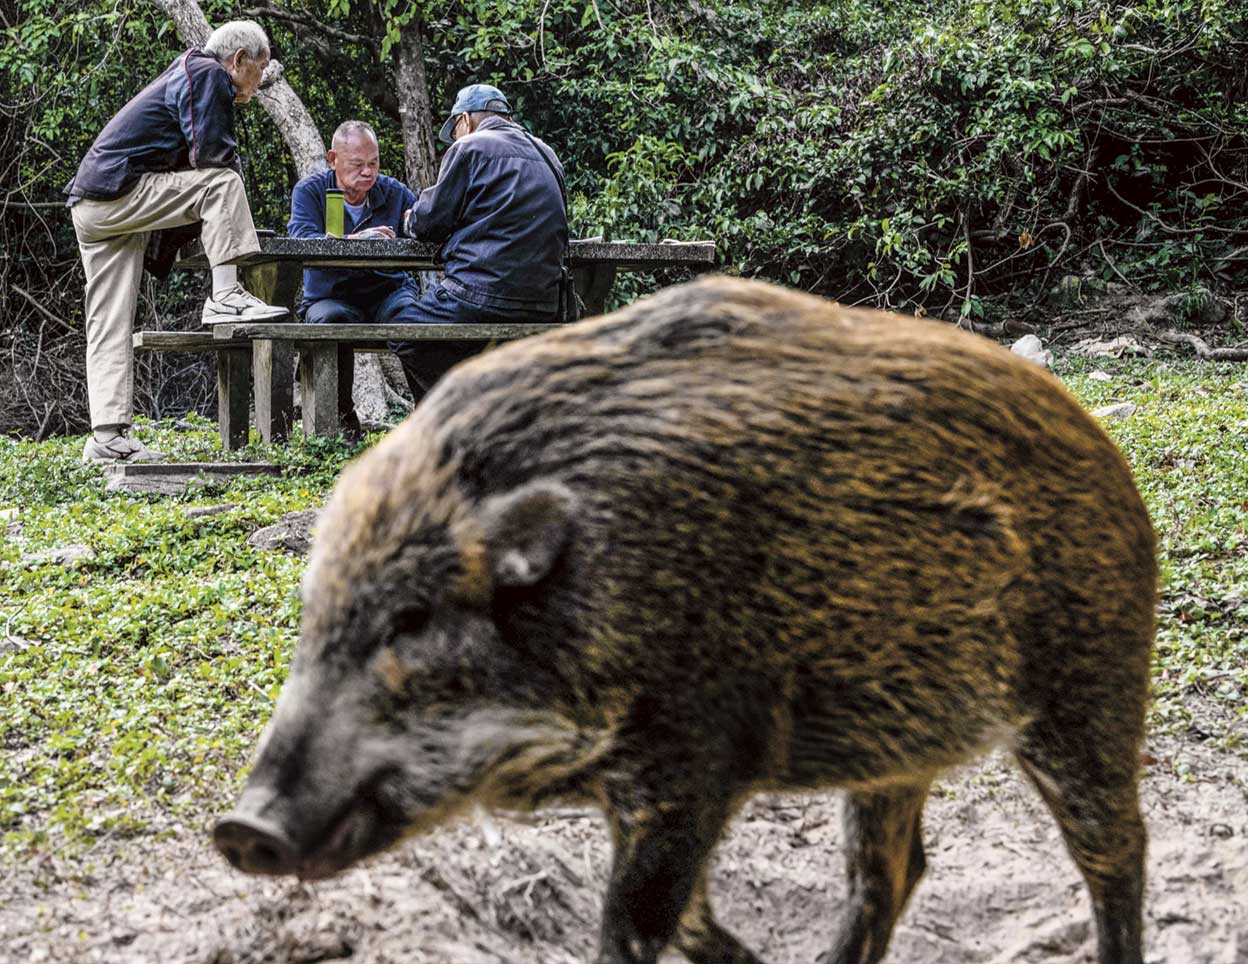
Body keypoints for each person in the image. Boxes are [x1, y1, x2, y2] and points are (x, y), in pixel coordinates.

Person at [65, 20, 287, 464]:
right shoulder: (207, 72)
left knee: (109, 321)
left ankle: (106, 436)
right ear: (238, 59)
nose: (258, 85)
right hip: (117, 193)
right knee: (222, 184)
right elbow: (213, 161)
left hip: (93, 207)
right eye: (259, 71)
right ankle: (224, 294)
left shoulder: (185, 74)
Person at [394, 83, 568, 401]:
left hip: (480, 295)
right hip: (544, 302)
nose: (456, 138)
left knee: (404, 332)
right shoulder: (547, 153)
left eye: (455, 130)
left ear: (465, 119)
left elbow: (429, 222)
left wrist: (407, 219)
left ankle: (456, 412)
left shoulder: (471, 147)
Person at [287, 120, 419, 437]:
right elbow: (301, 241)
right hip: (330, 295)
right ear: (333, 160)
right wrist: (358, 240)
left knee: (417, 321)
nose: (368, 173)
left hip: (387, 291)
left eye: (373, 163)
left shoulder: (395, 193)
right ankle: (339, 421)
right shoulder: (311, 192)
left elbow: (424, 231)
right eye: (357, 165)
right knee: (328, 322)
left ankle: (430, 421)